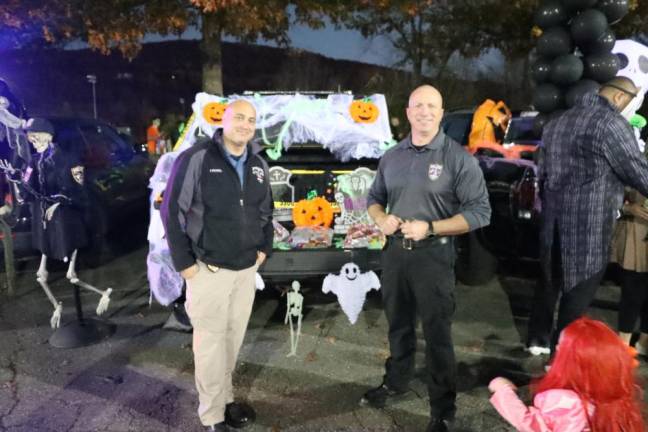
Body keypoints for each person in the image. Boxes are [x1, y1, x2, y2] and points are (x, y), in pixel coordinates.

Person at [362, 85, 491, 432]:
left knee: (437, 335)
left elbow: (480, 213)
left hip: (433, 258)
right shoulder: (392, 156)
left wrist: (431, 228)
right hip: (394, 258)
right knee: (399, 327)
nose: (424, 112)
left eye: (431, 106)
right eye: (418, 105)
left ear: (441, 112)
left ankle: (442, 407)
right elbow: (374, 198)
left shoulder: (458, 158)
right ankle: (396, 381)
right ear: (407, 112)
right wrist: (380, 219)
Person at [161, 99, 273, 432]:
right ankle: (212, 416)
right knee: (210, 346)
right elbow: (171, 211)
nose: (245, 124)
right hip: (207, 269)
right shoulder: (196, 158)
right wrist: (184, 264)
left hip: (245, 270)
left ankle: (225, 399)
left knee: (232, 339)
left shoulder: (257, 164)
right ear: (223, 120)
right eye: (238, 117)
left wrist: (263, 249)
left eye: (251, 120)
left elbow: (265, 211)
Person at [527, 77, 648, 355]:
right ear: (619, 98)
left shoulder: (558, 121)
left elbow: (541, 171)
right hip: (588, 227)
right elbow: (637, 171)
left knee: (550, 281)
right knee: (578, 292)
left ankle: (537, 340)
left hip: (553, 222)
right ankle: (561, 359)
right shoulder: (611, 124)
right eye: (632, 103)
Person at [490, 317, 644, 431]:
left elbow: (533, 426)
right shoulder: (614, 391)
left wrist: (504, 392)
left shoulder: (565, 401)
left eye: (562, 347)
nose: (556, 347)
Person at [611, 188, 648, 356]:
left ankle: (643, 343)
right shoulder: (633, 162)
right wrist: (627, 209)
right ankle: (623, 346)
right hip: (635, 229)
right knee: (632, 290)